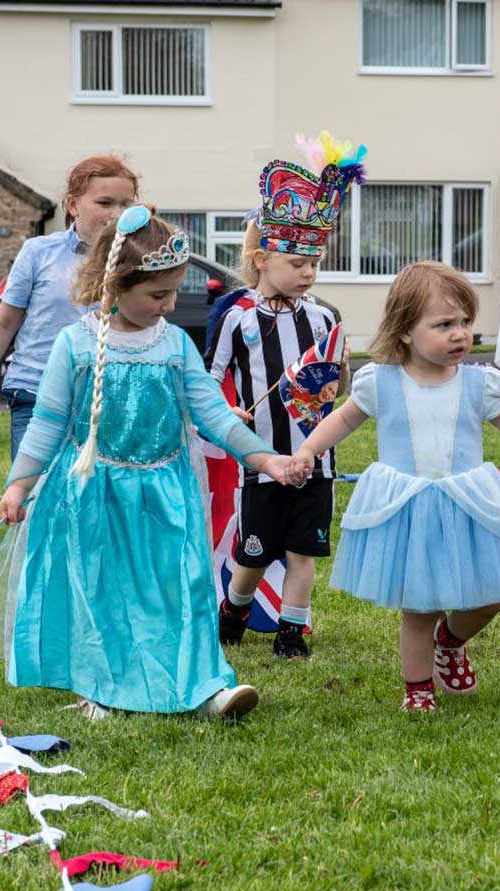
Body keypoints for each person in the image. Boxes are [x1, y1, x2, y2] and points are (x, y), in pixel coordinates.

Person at [0, 205, 309, 721]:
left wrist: (265, 459)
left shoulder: (174, 344)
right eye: (157, 295)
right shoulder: (74, 345)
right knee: (103, 592)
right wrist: (19, 485)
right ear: (114, 285)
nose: (168, 305)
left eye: (174, 293)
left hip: (165, 492)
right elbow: (48, 423)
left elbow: (212, 413)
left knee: (179, 589)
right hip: (96, 494)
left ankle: (204, 685)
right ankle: (103, 686)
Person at [292, 261, 500, 711]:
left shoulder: (481, 384)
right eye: (444, 324)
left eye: (465, 322)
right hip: (409, 507)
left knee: (490, 596)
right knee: (418, 606)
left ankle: (452, 639)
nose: (460, 333)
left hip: (466, 504)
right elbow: (342, 419)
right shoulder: (379, 383)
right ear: (405, 330)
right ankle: (418, 688)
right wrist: (308, 450)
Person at [209, 135, 364, 660]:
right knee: (256, 551)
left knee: (304, 549)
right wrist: (225, 410)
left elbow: (337, 382)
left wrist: (332, 380)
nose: (308, 272)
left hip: (314, 458)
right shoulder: (236, 318)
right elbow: (212, 380)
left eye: (314, 261)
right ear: (260, 259)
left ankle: (291, 631)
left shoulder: (324, 317)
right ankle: (234, 606)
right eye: (297, 261)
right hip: (262, 458)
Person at [0, 156, 140, 457]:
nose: (116, 214)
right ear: (73, 205)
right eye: (104, 203)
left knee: (96, 493)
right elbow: (4, 323)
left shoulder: (136, 260)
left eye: (126, 204)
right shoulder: (38, 253)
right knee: (34, 491)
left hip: (107, 396)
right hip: (36, 391)